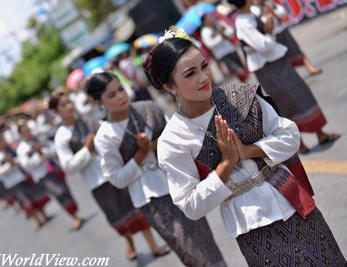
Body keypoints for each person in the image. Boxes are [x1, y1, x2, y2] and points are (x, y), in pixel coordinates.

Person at [142, 33, 346, 266]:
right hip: (250, 225)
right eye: (190, 73)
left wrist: (249, 151)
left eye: (204, 66)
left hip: (291, 199)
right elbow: (190, 205)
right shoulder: (173, 139)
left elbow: (289, 135)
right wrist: (226, 165)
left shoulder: (241, 97)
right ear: (169, 86)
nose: (204, 77)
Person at [87, 71, 227, 267]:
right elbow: (117, 178)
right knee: (187, 248)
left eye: (120, 89)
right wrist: (140, 154)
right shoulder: (105, 136)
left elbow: (176, 139)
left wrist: (156, 146)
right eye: (111, 95)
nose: (120, 96)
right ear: (99, 103)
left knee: (205, 240)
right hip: (151, 198)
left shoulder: (148, 109)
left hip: (178, 183)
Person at [49, 91, 166, 260]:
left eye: (69, 102)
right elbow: (69, 167)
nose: (69, 106)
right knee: (116, 217)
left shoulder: (88, 120)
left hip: (115, 171)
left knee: (136, 208)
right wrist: (86, 150)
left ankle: (153, 246)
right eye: (63, 105)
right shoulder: (61, 137)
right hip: (96, 182)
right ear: (56, 111)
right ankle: (130, 242)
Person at [228, 0, 339, 153]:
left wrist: (269, 22)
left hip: (276, 61)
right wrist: (269, 28)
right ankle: (299, 142)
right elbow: (264, 46)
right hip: (267, 68)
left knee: (301, 94)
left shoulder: (251, 14)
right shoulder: (242, 23)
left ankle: (319, 133)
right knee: (286, 102)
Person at [17, 123, 84, 230]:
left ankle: (75, 212)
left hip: (53, 169)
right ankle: (74, 217)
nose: (28, 133)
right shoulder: (22, 149)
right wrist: (38, 155)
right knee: (59, 192)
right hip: (42, 175)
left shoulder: (39, 139)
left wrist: (42, 152)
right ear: (21, 135)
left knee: (65, 190)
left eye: (28, 130)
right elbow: (27, 165)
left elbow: (53, 149)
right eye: (25, 132)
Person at [250, 0, 322, 75]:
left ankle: (310, 67)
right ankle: (292, 75)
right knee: (281, 57)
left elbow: (283, 13)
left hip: (281, 29)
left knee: (295, 49)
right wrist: (266, 16)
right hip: (270, 36)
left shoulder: (269, 3)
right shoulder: (253, 10)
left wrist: (273, 10)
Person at [200, 13, 249, 83]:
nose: (211, 19)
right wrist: (220, 37)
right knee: (238, 69)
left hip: (231, 48)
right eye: (208, 18)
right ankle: (246, 84)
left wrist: (224, 33)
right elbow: (209, 44)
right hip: (222, 54)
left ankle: (245, 82)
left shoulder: (219, 24)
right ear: (204, 22)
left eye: (210, 17)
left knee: (242, 67)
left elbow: (230, 30)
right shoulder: (205, 32)